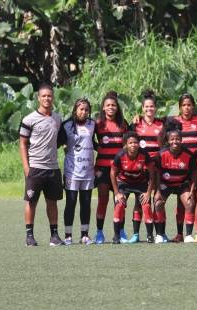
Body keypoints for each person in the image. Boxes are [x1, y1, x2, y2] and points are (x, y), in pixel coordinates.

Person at [19, 83, 64, 246]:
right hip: (35, 168)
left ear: (53, 98)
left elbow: (60, 140)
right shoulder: (29, 119)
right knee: (31, 201)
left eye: (49, 96)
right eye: (43, 96)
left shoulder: (57, 118)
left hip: (53, 168)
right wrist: (26, 168)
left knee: (52, 202)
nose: (47, 98)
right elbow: (23, 143)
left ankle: (54, 236)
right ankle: (29, 236)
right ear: (38, 98)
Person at [169, 93, 197, 242]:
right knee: (182, 202)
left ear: (193, 106)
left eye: (189, 105)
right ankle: (180, 233)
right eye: (184, 105)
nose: (187, 108)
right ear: (179, 107)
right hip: (180, 167)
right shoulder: (174, 122)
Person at [58, 98, 96, 245]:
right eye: (81, 109)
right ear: (75, 110)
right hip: (72, 171)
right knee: (71, 202)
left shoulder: (92, 124)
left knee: (86, 203)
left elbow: (95, 142)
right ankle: (68, 235)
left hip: (88, 171)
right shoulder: (67, 125)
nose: (84, 112)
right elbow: (57, 142)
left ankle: (84, 235)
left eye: (86, 110)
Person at [153, 119, 197, 243]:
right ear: (168, 141)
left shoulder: (188, 154)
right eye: (172, 139)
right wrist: (157, 191)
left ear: (181, 140)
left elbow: (194, 173)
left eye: (177, 139)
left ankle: (188, 235)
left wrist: (192, 191)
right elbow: (156, 174)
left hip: (181, 184)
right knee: (158, 204)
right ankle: (160, 234)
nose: (175, 141)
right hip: (165, 184)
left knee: (190, 203)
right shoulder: (161, 154)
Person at [129, 90, 165, 243]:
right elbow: (130, 143)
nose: (149, 109)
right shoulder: (136, 124)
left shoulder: (162, 124)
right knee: (140, 201)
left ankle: (159, 234)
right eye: (146, 107)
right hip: (141, 170)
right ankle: (136, 234)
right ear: (142, 108)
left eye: (152, 107)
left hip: (157, 169)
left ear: (155, 108)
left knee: (158, 200)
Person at [94, 91, 129, 244]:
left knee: (120, 201)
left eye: (113, 105)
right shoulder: (97, 124)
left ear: (117, 108)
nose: (111, 107)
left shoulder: (123, 124)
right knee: (103, 199)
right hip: (102, 168)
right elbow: (88, 139)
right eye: (108, 105)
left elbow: (129, 142)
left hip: (120, 169)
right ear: (103, 108)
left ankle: (121, 231)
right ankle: (99, 233)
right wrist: (99, 147)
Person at [110, 132, 155, 244]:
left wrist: (149, 192)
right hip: (124, 183)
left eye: (135, 142)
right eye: (130, 143)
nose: (133, 145)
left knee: (146, 206)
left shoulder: (144, 154)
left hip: (140, 183)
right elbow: (112, 173)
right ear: (126, 144)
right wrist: (117, 193)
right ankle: (116, 236)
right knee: (119, 205)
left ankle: (147, 236)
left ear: (139, 144)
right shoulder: (120, 155)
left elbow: (152, 173)